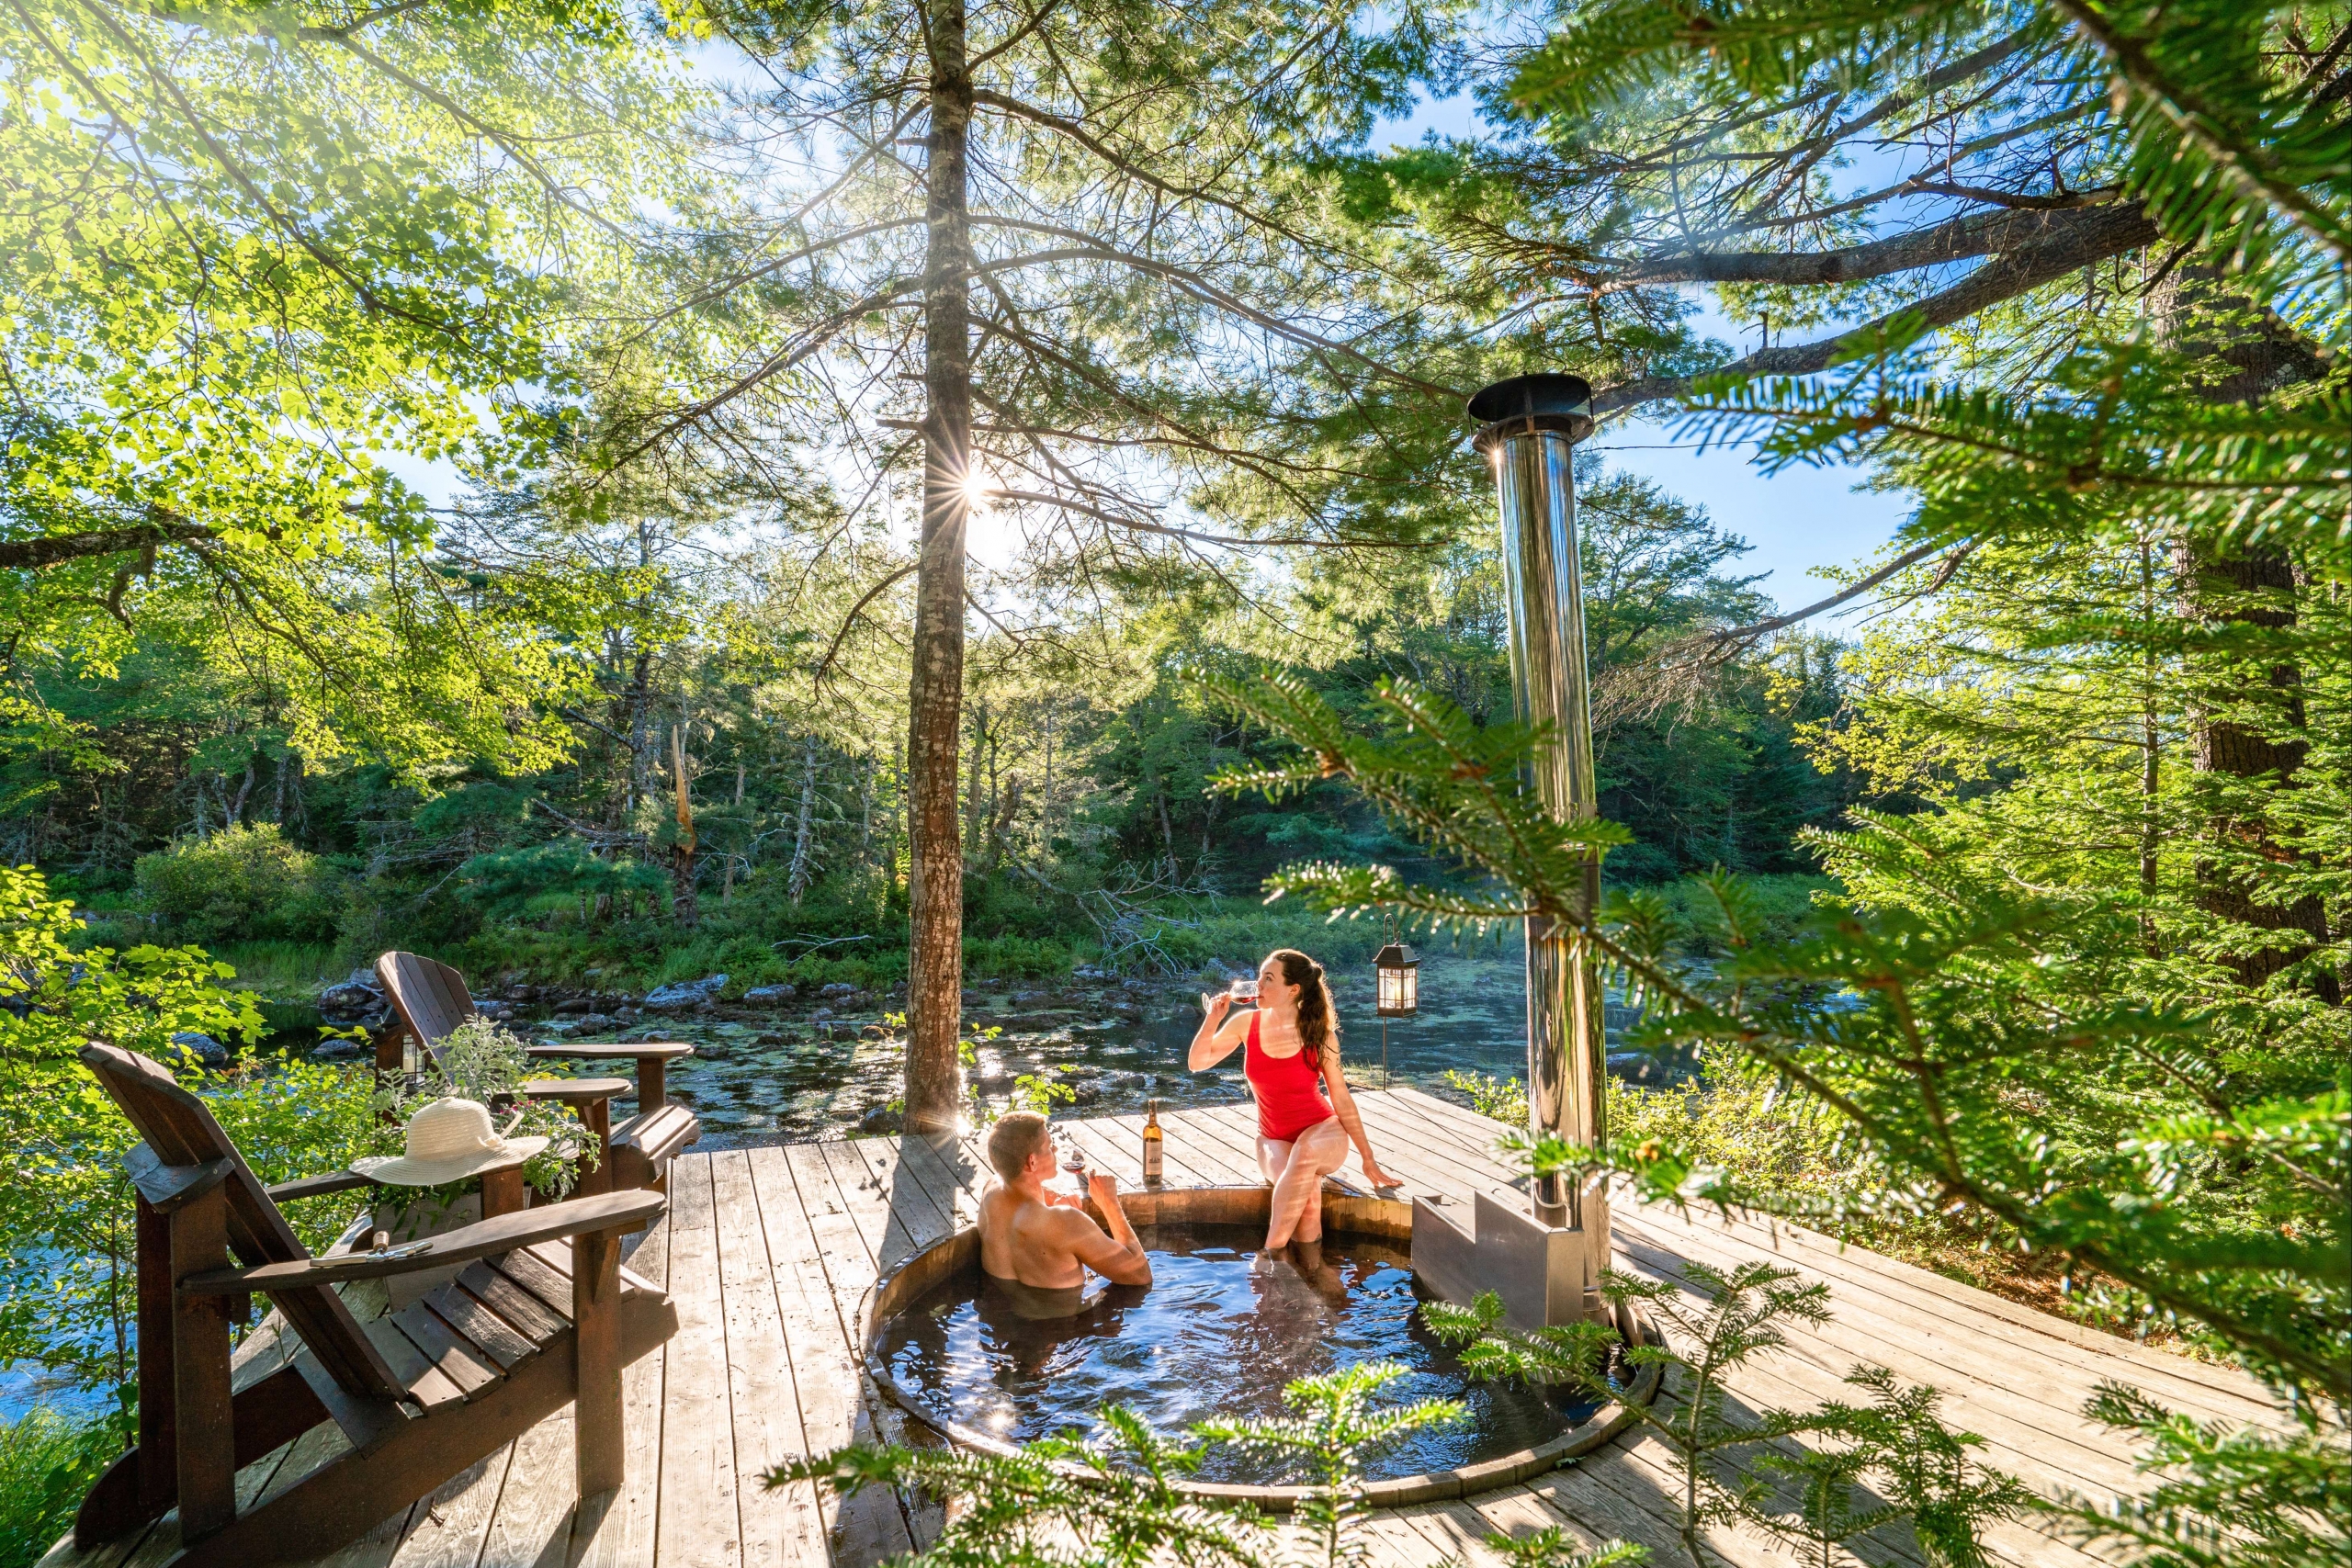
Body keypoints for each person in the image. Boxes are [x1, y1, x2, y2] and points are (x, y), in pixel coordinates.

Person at [1189, 948, 1396, 1257]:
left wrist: (1367, 1158)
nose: (1258, 984)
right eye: (1259, 976)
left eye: (1268, 978)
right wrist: (1212, 1019)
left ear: (1293, 989)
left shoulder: (1320, 1035)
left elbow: (1341, 1099)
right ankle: (1314, 1271)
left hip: (1323, 1133)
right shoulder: (1246, 1023)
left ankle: (1269, 1258)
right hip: (1272, 1138)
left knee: (1305, 1153)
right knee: (1310, 1193)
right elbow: (1197, 1062)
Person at [976, 1110, 1153, 1316]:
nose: (1056, 1148)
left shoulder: (991, 1192)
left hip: (1005, 1319)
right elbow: (1140, 1276)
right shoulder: (1066, 1221)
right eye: (1049, 1146)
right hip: (1065, 1331)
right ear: (1032, 1162)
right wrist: (1109, 1202)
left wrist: (1053, 1197)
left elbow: (1018, 1189)